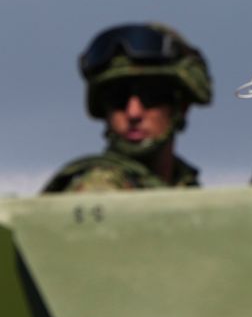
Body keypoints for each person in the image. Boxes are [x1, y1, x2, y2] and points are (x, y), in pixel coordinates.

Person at [42, 23, 212, 193]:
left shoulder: (183, 185)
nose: (133, 113)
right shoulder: (100, 187)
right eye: (117, 98)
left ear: (180, 107)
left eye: (151, 97)